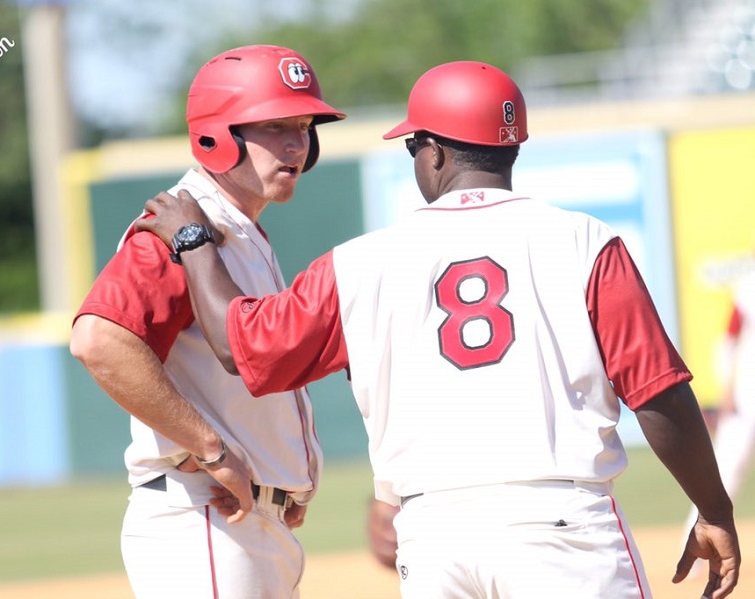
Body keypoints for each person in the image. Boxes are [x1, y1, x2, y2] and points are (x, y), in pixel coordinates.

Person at [134, 60, 742, 598]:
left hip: (433, 538)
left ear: (433, 152)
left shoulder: (360, 263)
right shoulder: (587, 243)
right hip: (564, 527)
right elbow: (659, 394)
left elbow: (243, 346)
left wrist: (193, 241)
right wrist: (712, 508)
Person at [70, 44, 344, 598]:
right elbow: (98, 340)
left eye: (304, 126)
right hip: (205, 519)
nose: (297, 143)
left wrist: (284, 479)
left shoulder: (236, 226)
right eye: (275, 126)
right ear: (218, 135)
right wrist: (211, 449)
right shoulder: (180, 224)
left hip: (241, 523)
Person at [683, 266, 755, 560]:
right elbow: (727, 341)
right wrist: (726, 388)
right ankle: (697, 546)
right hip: (747, 394)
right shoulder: (750, 285)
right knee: (725, 472)